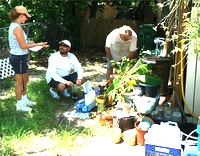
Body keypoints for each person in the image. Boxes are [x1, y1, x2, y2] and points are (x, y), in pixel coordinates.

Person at [8, 6, 49, 112]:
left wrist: (32, 43)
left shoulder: (16, 26)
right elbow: (23, 46)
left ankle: (24, 99)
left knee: (25, 79)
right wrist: (39, 44)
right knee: (19, 82)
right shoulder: (17, 28)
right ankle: (19, 105)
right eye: (26, 17)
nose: (26, 19)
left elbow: (23, 43)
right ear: (21, 16)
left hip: (21, 57)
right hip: (18, 57)